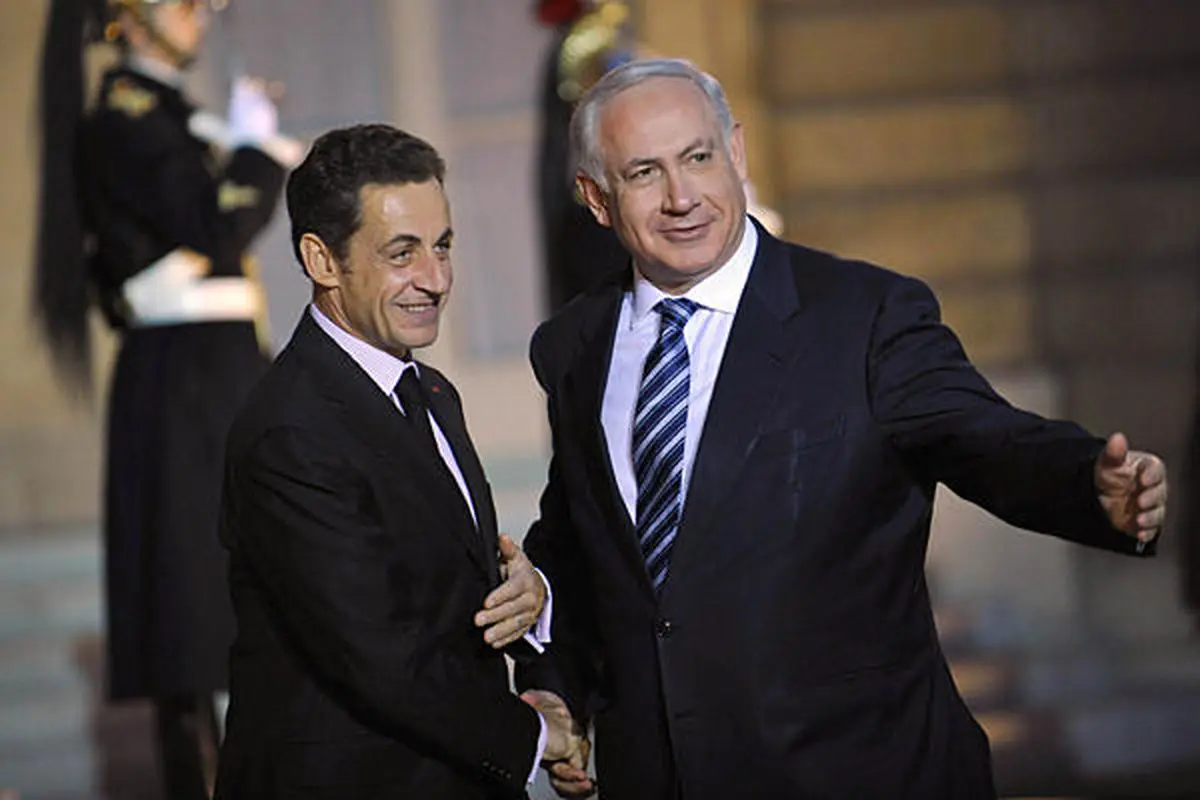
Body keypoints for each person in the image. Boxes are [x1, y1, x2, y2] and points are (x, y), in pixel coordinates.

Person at [515, 58, 1170, 799]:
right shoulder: (574, 346)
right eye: (644, 173)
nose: (681, 197)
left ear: (736, 152)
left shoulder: (864, 315)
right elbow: (580, 547)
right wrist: (557, 685)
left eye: (697, 158)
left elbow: (984, 437)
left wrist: (1085, 481)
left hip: (859, 770)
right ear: (596, 199)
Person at [214, 124, 583, 799]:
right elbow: (377, 654)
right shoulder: (290, 432)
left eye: (442, 246)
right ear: (322, 261)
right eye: (402, 253)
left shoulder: (430, 392)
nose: (435, 280)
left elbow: (446, 586)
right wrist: (539, 737)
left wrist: (526, 600)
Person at [32, 1, 300, 797]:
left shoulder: (171, 116)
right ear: (129, 12)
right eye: (184, 1)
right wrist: (254, 153)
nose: (202, 15)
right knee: (189, 618)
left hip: (216, 370)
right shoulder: (127, 118)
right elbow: (215, 228)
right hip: (181, 384)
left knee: (249, 599)